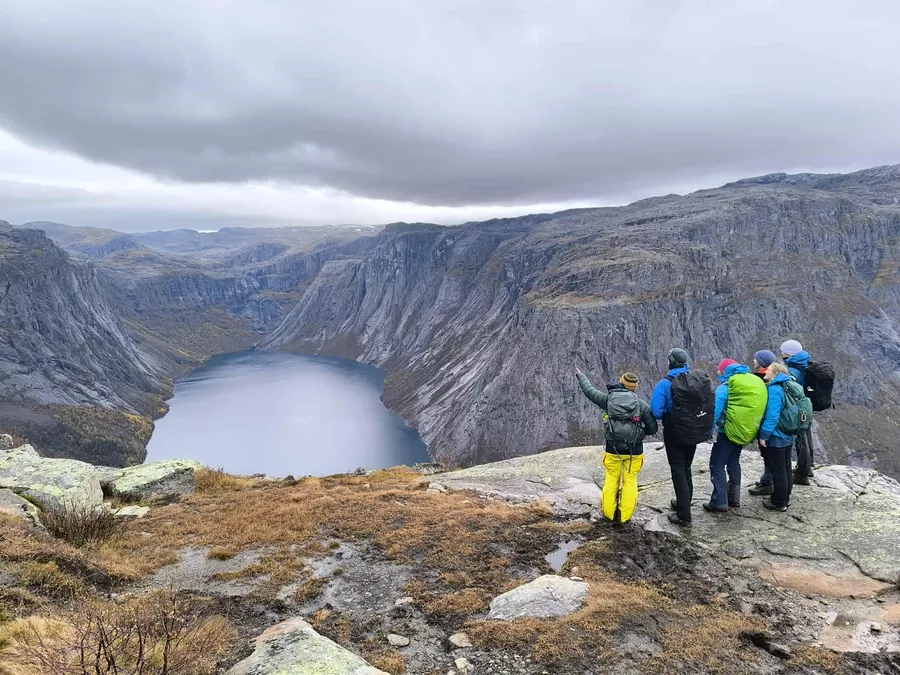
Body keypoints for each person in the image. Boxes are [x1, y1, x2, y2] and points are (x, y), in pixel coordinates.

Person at [576, 369, 658, 525]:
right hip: (634, 451)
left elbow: (590, 391)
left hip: (613, 449)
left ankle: (608, 515)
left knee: (611, 479)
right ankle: (625, 517)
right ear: (634, 388)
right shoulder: (641, 405)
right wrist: (639, 434)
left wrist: (581, 375)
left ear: (621, 383)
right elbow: (653, 429)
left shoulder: (608, 400)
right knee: (630, 481)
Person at [651, 348, 715, 528]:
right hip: (694, 430)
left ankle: (684, 514)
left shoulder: (665, 384)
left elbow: (656, 411)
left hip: (675, 432)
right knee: (686, 467)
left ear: (670, 362)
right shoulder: (696, 380)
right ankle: (683, 502)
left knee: (678, 469)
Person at [706, 359, 768, 512]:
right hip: (744, 431)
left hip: (727, 432)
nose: (718, 373)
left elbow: (715, 412)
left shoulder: (725, 388)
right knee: (733, 461)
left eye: (720, 371)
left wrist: (709, 431)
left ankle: (719, 501)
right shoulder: (748, 385)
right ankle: (734, 498)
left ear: (725, 372)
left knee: (717, 464)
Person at [758, 363, 796, 511]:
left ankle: (778, 502)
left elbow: (772, 415)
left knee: (778, 470)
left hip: (777, 435)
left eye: (768, 370)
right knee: (786, 467)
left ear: (775, 373)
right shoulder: (789, 385)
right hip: (788, 433)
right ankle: (786, 498)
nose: (765, 371)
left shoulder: (775, 389)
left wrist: (764, 434)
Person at [780, 340, 815, 484]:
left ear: (788, 353)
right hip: (807, 406)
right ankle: (808, 466)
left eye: (783, 351)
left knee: (800, 439)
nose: (781, 353)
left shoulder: (793, 370)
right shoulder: (804, 362)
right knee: (806, 435)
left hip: (798, 409)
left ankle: (802, 473)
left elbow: (790, 388)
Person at [748, 350, 778, 497]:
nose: (754, 361)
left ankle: (768, 483)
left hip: (765, 421)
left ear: (761, 363)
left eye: (756, 359)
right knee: (768, 453)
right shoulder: (773, 377)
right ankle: (767, 479)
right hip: (769, 421)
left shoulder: (761, 379)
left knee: (768, 453)